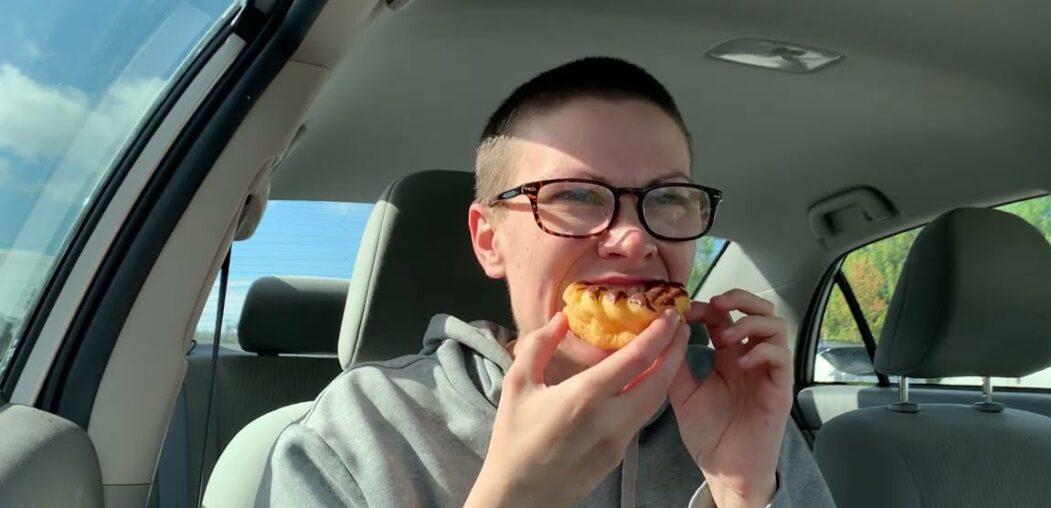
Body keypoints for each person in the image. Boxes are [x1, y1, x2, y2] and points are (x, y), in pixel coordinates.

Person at [258, 57, 835, 508]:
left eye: (669, 198)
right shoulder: (363, 434)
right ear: (490, 241)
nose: (634, 239)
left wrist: (744, 495)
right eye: (577, 196)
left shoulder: (743, 408)